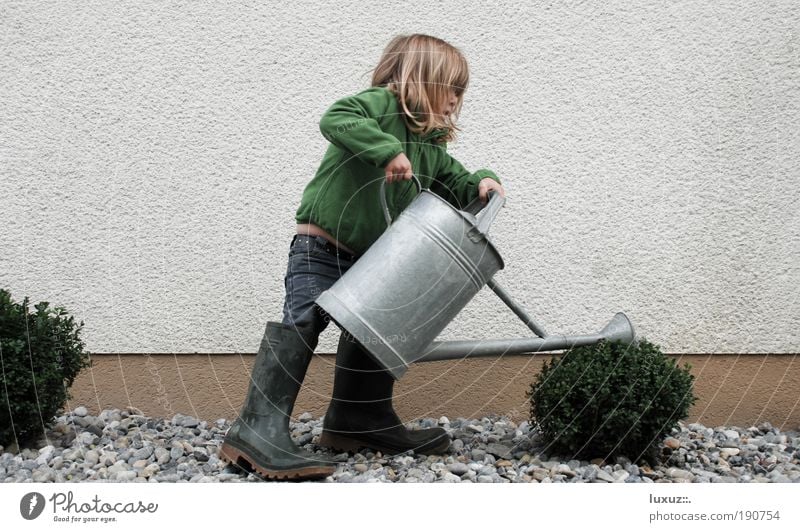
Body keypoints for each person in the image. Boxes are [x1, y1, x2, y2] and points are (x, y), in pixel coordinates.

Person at [220, 34, 506, 481]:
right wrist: (385, 150)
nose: (457, 99)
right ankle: (255, 429)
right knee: (304, 321)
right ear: (421, 80)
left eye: (461, 91)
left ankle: (357, 422)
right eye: (452, 87)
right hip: (321, 246)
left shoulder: (430, 145)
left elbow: (457, 180)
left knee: (379, 326)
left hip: (369, 257)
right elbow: (337, 117)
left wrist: (484, 182)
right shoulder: (377, 106)